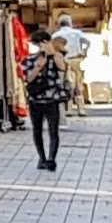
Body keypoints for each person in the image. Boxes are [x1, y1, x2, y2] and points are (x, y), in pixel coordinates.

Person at [25, 36, 68, 171]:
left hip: (51, 100)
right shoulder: (29, 60)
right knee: (37, 130)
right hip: (35, 99)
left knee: (53, 130)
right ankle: (42, 158)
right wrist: (38, 66)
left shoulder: (56, 57)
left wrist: (53, 53)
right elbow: (28, 78)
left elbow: (62, 68)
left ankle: (51, 159)